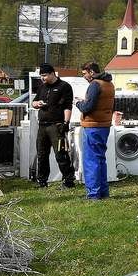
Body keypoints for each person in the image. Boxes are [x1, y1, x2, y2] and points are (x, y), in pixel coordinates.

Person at [74, 61, 115, 200]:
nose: (84, 77)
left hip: (93, 126)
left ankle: (93, 194)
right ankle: (103, 192)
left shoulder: (95, 84)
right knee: (100, 159)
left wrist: (78, 103)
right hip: (104, 125)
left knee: (91, 160)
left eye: (85, 73)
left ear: (91, 72)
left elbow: (87, 108)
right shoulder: (109, 84)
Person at [31, 63, 75, 188]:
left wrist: (66, 123)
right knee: (42, 154)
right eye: (41, 76)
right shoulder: (42, 87)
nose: (42, 78)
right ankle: (42, 181)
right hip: (42, 125)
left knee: (60, 154)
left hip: (56, 125)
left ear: (52, 73)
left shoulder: (64, 86)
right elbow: (34, 102)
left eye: (44, 75)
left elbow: (68, 106)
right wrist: (36, 104)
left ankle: (68, 180)